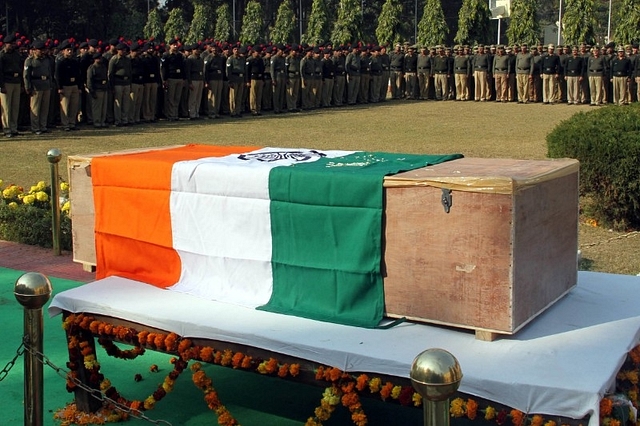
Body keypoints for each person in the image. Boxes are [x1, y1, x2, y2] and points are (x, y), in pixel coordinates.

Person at [24, 40, 52, 135]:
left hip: (46, 85)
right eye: (40, 50)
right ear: (35, 50)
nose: (42, 52)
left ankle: (43, 126)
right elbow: (26, 75)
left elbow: (50, 73)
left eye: (43, 50)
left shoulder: (46, 60)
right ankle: (35, 127)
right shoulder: (30, 60)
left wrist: (50, 84)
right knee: (35, 108)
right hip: (36, 86)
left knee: (44, 108)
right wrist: (28, 87)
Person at [55, 39, 82, 131]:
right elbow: (58, 75)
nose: (70, 51)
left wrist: (79, 86)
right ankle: (65, 124)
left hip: (74, 85)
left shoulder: (74, 61)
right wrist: (59, 87)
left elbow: (78, 74)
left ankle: (72, 123)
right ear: (63, 51)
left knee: (74, 106)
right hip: (65, 86)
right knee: (65, 106)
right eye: (68, 50)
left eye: (71, 50)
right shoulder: (60, 62)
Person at [0, 34, 23, 137]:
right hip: (6, 81)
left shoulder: (16, 54)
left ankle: (14, 128)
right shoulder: (2, 55)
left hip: (16, 81)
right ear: (6, 44)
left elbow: (21, 68)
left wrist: (21, 83)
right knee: (6, 107)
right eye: (11, 44)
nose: (13, 45)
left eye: (14, 43)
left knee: (15, 106)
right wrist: (1, 85)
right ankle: (7, 128)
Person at [161, 38, 186, 121]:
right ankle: (170, 115)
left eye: (176, 45)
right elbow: (164, 68)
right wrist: (164, 79)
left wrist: (183, 78)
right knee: (170, 98)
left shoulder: (180, 55)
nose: (175, 46)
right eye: (173, 45)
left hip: (179, 78)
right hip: (171, 78)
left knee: (177, 98)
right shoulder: (166, 55)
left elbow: (183, 67)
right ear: (170, 46)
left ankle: (175, 114)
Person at [108, 43, 132, 126]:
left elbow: (130, 71)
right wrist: (112, 86)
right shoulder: (114, 59)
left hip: (126, 82)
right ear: (118, 50)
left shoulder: (127, 59)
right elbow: (110, 73)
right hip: (118, 82)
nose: (124, 51)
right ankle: (118, 120)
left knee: (126, 102)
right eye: (122, 50)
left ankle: (124, 119)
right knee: (118, 102)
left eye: (125, 50)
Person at [86, 52, 109, 128]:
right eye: (98, 58)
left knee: (104, 107)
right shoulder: (92, 68)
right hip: (97, 89)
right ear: (95, 59)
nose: (100, 59)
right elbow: (89, 80)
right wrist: (92, 91)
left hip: (104, 88)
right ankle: (96, 121)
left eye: (100, 58)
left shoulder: (103, 67)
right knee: (97, 107)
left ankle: (102, 121)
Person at [204, 44, 226, 118]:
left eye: (216, 48)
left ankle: (216, 112)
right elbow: (205, 70)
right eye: (213, 48)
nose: (214, 50)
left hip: (219, 78)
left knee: (218, 96)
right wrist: (206, 81)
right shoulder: (208, 57)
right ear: (211, 49)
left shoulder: (220, 57)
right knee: (212, 96)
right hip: (212, 78)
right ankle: (211, 112)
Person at [226, 45, 247, 118]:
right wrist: (230, 80)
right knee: (233, 97)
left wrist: (245, 80)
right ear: (232, 50)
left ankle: (238, 111)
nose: (236, 51)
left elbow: (245, 69)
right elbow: (228, 71)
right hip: (234, 78)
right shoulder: (230, 59)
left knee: (239, 96)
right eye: (235, 49)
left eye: (237, 49)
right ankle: (233, 112)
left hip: (241, 78)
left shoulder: (242, 59)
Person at [185, 43, 205, 119]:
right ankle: (192, 113)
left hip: (200, 79)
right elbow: (188, 71)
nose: (198, 50)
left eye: (198, 49)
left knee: (198, 98)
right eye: (196, 49)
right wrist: (189, 82)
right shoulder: (190, 59)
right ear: (193, 50)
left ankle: (197, 113)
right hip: (193, 79)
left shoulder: (200, 59)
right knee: (193, 98)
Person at [129, 42, 145, 124]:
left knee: (139, 102)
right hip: (133, 82)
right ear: (131, 51)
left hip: (140, 82)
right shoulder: (129, 60)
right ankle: (131, 118)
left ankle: (137, 117)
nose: (137, 52)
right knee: (133, 102)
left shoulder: (139, 59)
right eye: (136, 51)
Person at [246, 46, 265, 116]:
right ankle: (253, 109)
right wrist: (248, 81)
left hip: (260, 78)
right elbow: (247, 71)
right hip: (253, 78)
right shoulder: (249, 60)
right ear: (253, 52)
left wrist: (263, 79)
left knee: (259, 95)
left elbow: (262, 69)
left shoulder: (260, 60)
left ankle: (258, 109)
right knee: (253, 95)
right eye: (258, 52)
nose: (259, 53)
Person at [270, 44, 287, 113]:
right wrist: (273, 79)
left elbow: (285, 68)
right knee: (276, 93)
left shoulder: (283, 58)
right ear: (278, 50)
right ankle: (276, 109)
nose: (282, 52)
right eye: (281, 51)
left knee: (281, 93)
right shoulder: (274, 58)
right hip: (277, 75)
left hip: (282, 75)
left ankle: (280, 108)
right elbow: (272, 69)